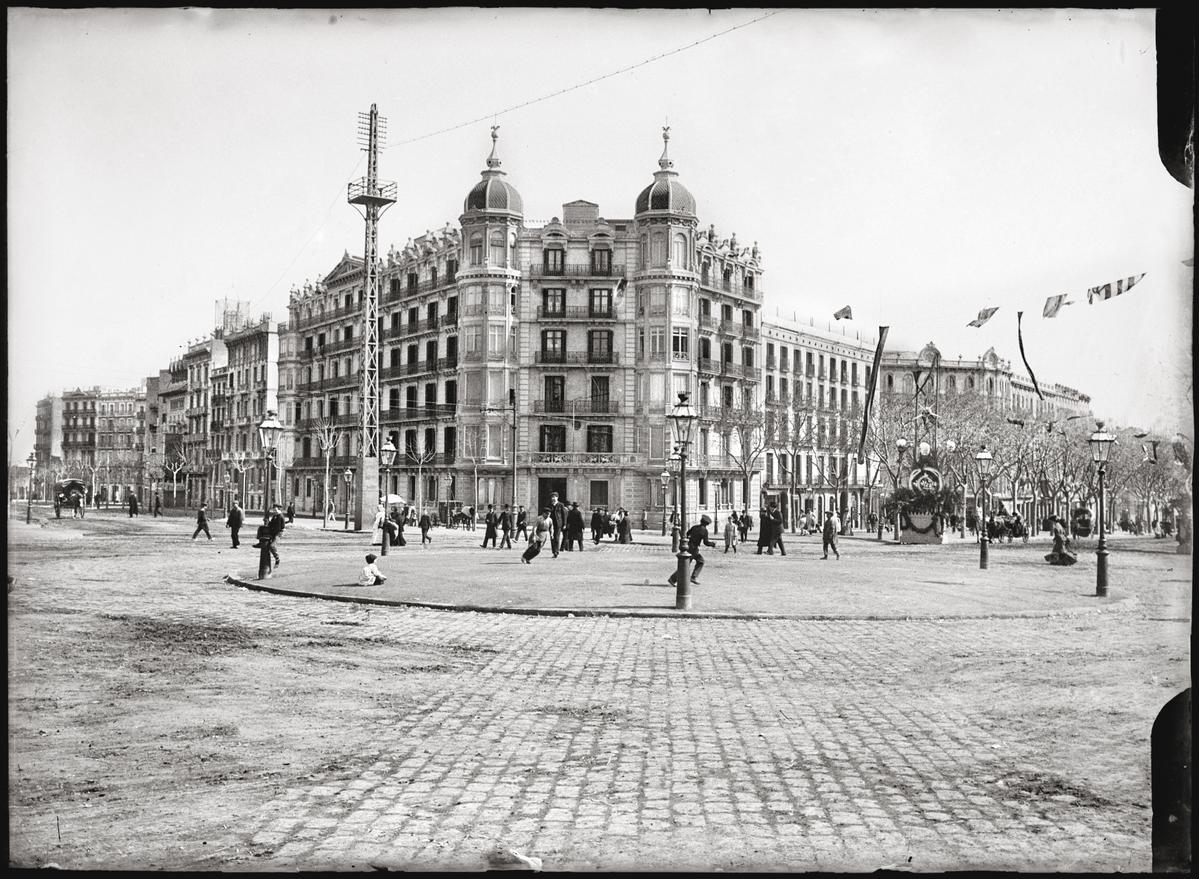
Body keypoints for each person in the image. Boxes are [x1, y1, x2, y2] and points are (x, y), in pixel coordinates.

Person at [668, 514, 717, 586]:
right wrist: (713, 544)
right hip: (694, 549)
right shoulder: (704, 531)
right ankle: (675, 579)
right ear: (706, 524)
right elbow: (705, 542)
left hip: (688, 546)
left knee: (693, 562)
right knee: (692, 563)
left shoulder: (694, 527)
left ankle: (686, 578)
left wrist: (690, 539)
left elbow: (687, 534)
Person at [265, 504, 285, 569]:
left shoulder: (280, 516)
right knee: (268, 546)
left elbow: (280, 527)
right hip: (274, 533)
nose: (274, 511)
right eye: (274, 510)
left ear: (279, 510)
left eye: (276, 510)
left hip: (278, 533)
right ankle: (269, 563)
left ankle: (277, 559)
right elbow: (272, 524)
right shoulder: (275, 516)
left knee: (272, 546)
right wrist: (268, 522)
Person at [548, 492, 567, 558]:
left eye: (554, 497)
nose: (553, 498)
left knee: (556, 537)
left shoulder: (561, 505)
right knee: (552, 538)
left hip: (558, 523)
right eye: (552, 497)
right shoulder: (549, 505)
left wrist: (564, 524)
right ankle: (554, 551)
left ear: (557, 497)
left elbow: (564, 515)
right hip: (551, 524)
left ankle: (556, 552)